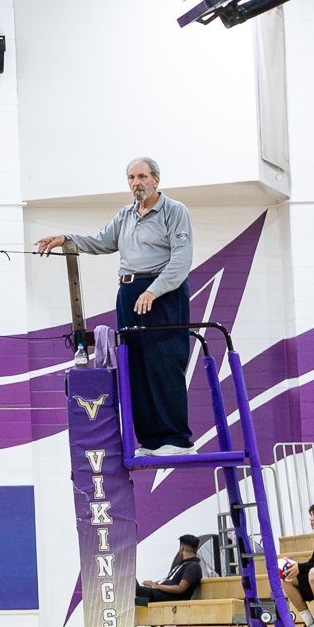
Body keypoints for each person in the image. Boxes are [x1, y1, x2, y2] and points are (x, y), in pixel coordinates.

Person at [35, 157, 195, 451]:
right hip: (129, 293)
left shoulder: (174, 211)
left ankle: (176, 439)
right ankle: (151, 441)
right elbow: (101, 242)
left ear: (156, 180)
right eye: (131, 178)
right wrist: (67, 238)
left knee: (163, 364)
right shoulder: (125, 215)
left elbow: (181, 261)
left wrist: (154, 291)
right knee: (135, 365)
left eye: (142, 177)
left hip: (162, 294)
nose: (136, 183)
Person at [135, 534, 204, 607]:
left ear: (182, 548)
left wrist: (156, 586)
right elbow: (170, 580)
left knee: (135, 589)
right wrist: (154, 584)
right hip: (160, 595)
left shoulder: (194, 566)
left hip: (169, 598)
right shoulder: (183, 564)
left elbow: (180, 588)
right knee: (132, 598)